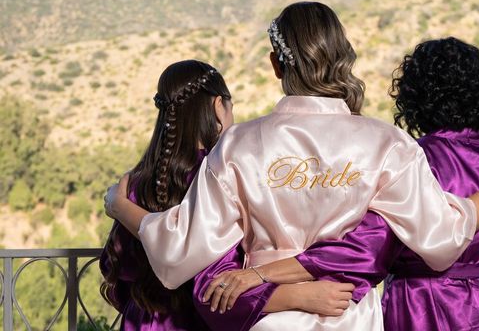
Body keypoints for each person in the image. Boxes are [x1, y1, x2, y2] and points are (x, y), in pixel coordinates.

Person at [104, 3, 479, 331]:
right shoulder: (387, 144)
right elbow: (444, 240)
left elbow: (179, 251)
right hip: (351, 316)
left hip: (269, 317)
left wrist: (122, 208)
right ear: (343, 58)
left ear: (276, 64)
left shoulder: (238, 144)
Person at [257, 37, 479, 330]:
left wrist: (264, 275)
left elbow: (367, 246)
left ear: (413, 97)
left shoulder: (402, 163)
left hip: (416, 307)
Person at [100, 59, 355, 330]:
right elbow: (220, 282)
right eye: (230, 106)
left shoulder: (136, 182)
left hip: (141, 320)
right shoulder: (217, 176)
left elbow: (113, 263)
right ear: (218, 106)